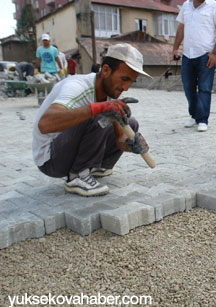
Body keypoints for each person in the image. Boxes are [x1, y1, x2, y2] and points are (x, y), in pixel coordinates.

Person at [32, 43, 151, 197]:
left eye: (131, 82)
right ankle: (77, 176)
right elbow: (45, 124)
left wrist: (130, 145)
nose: (126, 87)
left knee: (130, 122)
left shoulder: (110, 91)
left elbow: (119, 138)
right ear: (106, 70)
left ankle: (95, 167)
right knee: (100, 115)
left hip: (69, 151)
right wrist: (99, 108)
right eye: (124, 79)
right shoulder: (76, 86)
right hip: (51, 160)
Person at [172, 0, 216, 132]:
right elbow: (181, 28)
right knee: (188, 87)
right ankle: (194, 115)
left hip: (205, 55)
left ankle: (202, 119)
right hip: (187, 55)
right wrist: (175, 48)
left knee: (205, 88)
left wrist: (215, 53)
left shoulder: (214, 6)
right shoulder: (186, 5)